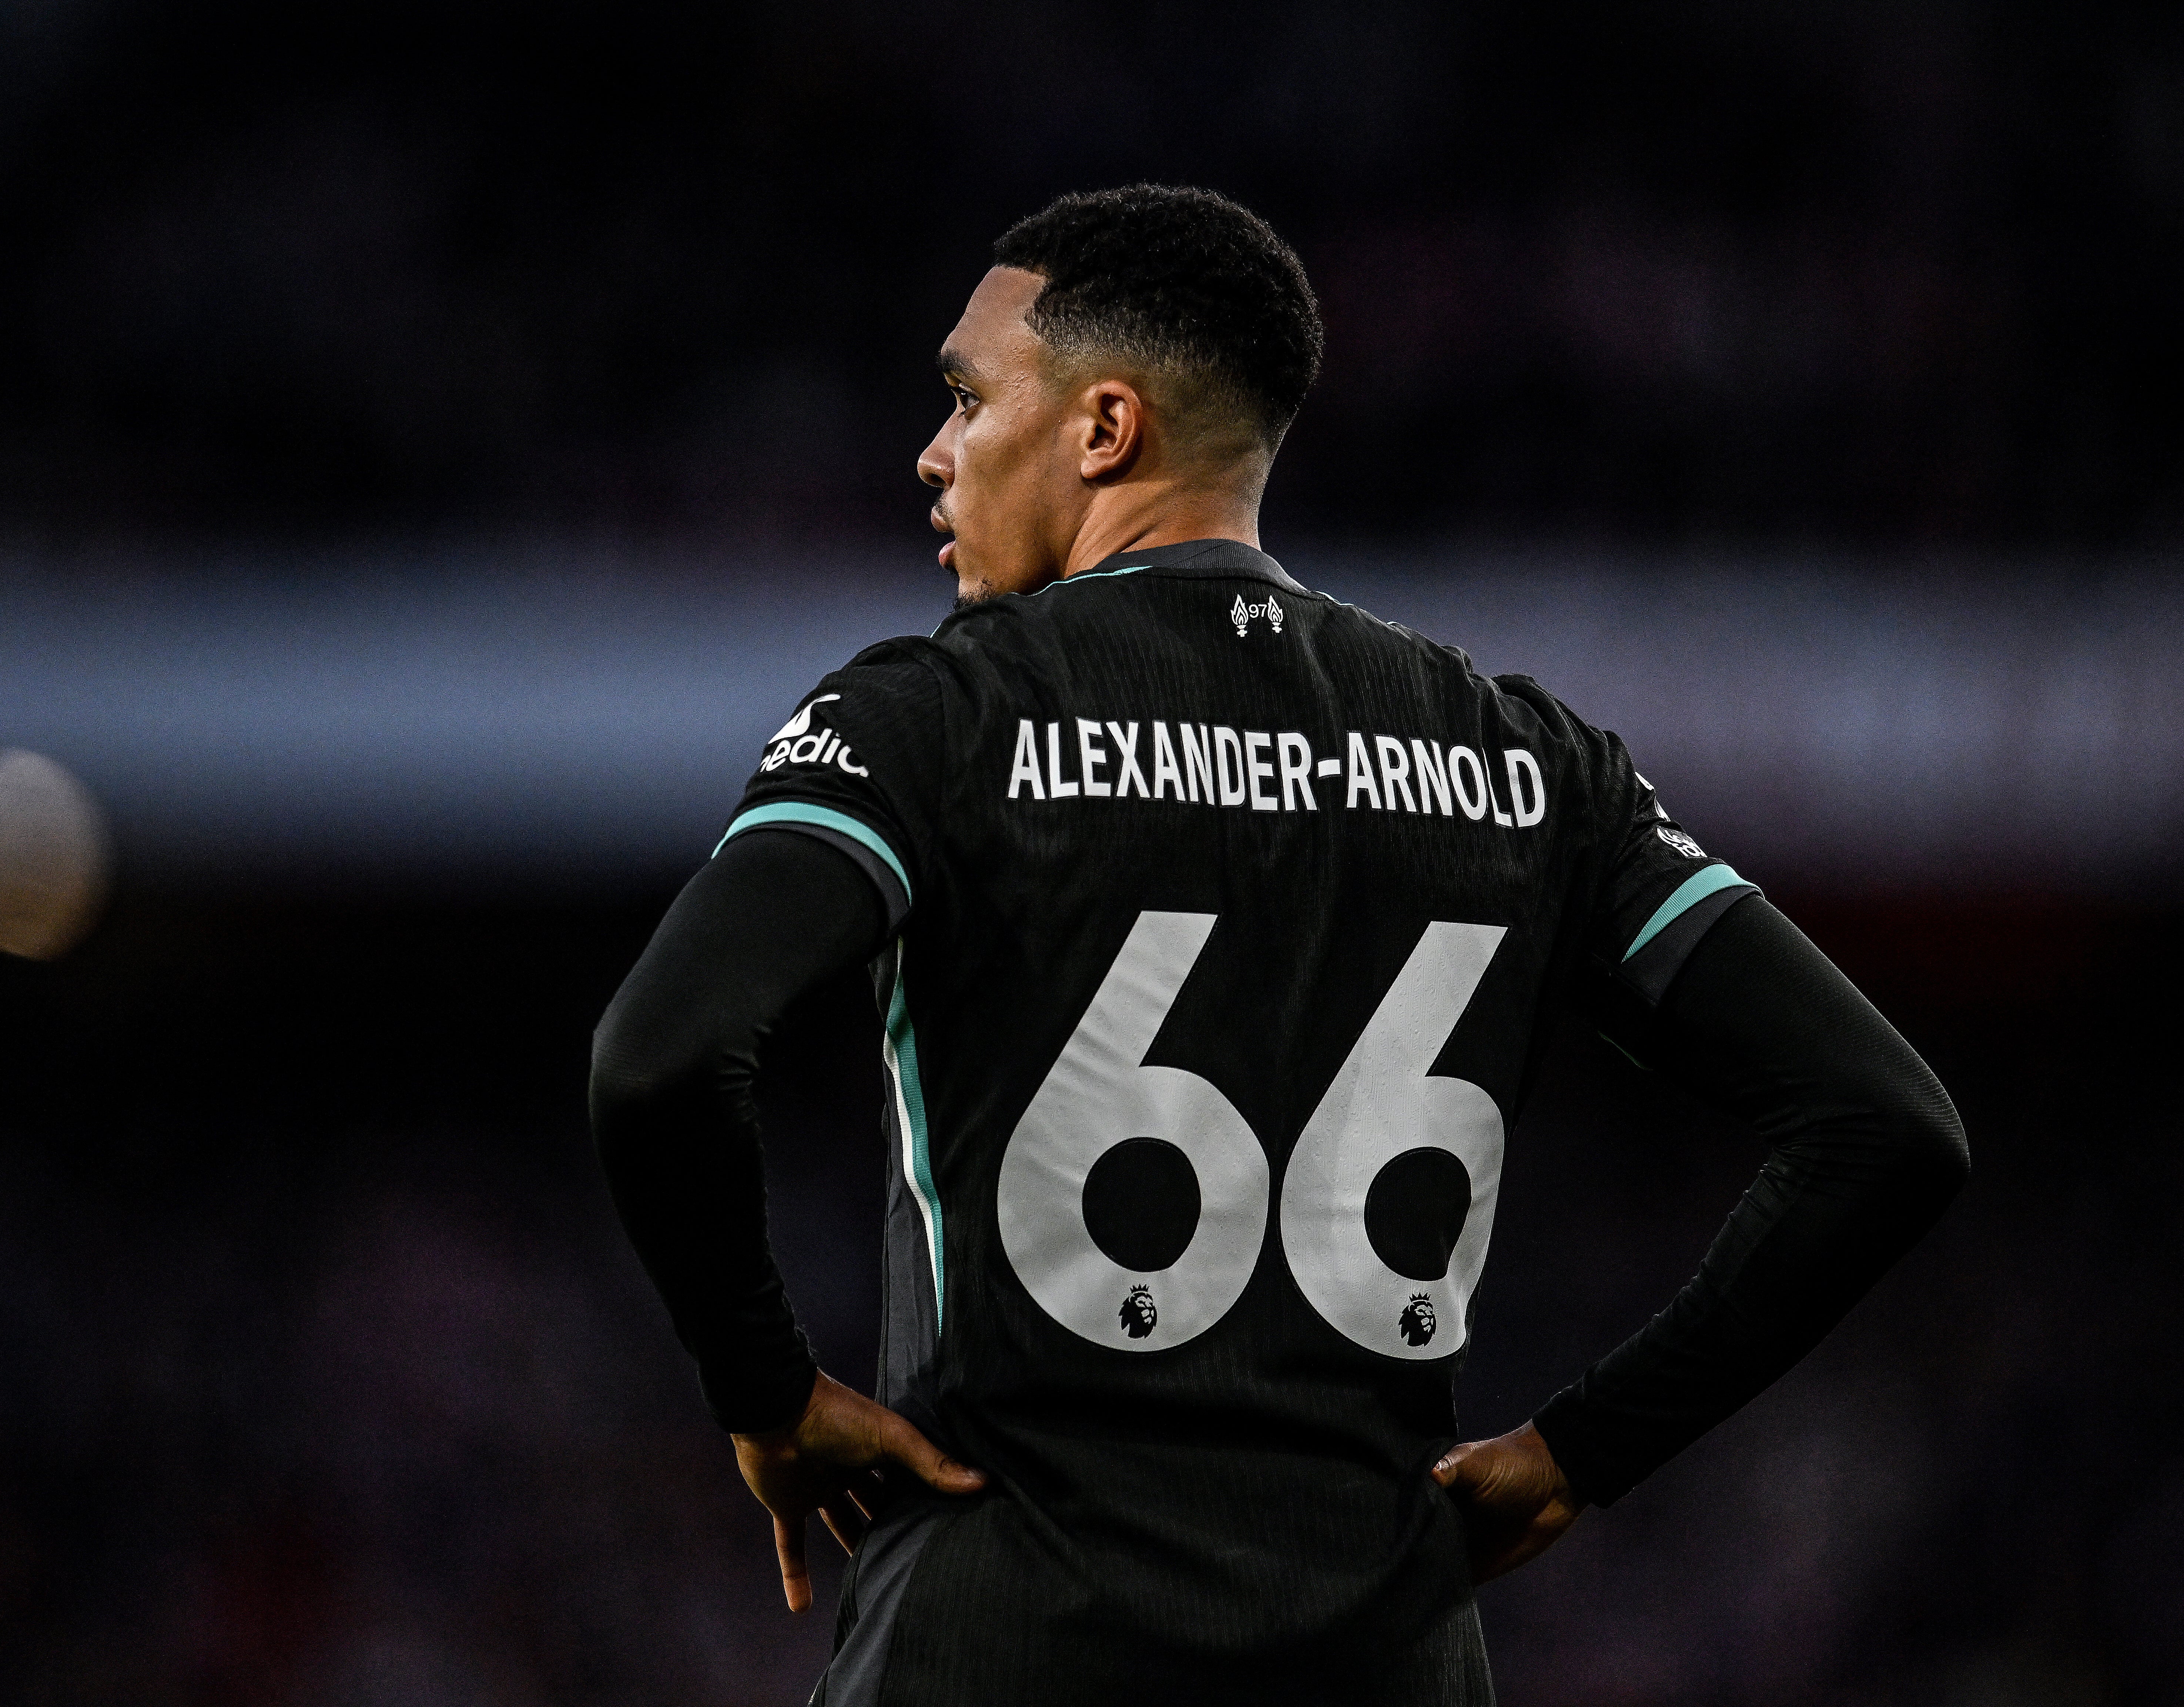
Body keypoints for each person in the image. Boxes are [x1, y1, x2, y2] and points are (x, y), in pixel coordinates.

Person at [588, 184, 1968, 1707]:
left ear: (1103, 429)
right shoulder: (1522, 759)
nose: (932, 452)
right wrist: (1583, 1452)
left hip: (1000, 1637)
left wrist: (765, 1392)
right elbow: (1884, 1127)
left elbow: (656, 1057)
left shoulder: (935, 716)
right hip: (1374, 1652)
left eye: (969, 399)